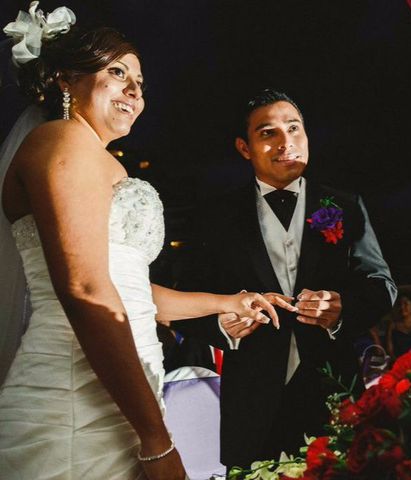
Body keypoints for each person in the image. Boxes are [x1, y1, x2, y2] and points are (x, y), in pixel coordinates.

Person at [0, 5, 291, 479]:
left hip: (123, 394)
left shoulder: (99, 160)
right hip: (75, 398)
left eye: (140, 82)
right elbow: (86, 290)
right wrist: (157, 441)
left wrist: (228, 301)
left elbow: (131, 291)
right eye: (117, 72)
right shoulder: (62, 141)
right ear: (66, 80)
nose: (135, 90)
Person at [173, 89, 397, 468]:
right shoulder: (216, 217)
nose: (286, 142)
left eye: (294, 129)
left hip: (334, 391)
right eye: (268, 133)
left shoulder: (344, 205)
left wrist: (341, 310)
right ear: (244, 148)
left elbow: (381, 286)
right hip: (253, 399)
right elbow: (184, 298)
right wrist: (221, 324)